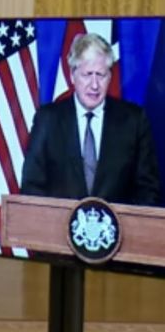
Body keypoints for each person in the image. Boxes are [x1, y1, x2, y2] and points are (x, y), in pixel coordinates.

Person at [21, 32, 161, 205]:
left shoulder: (133, 121)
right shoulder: (48, 120)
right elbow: (31, 187)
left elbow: (148, 190)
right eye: (87, 74)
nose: (94, 85)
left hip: (120, 231)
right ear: (73, 76)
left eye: (100, 75)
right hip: (57, 230)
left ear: (109, 77)